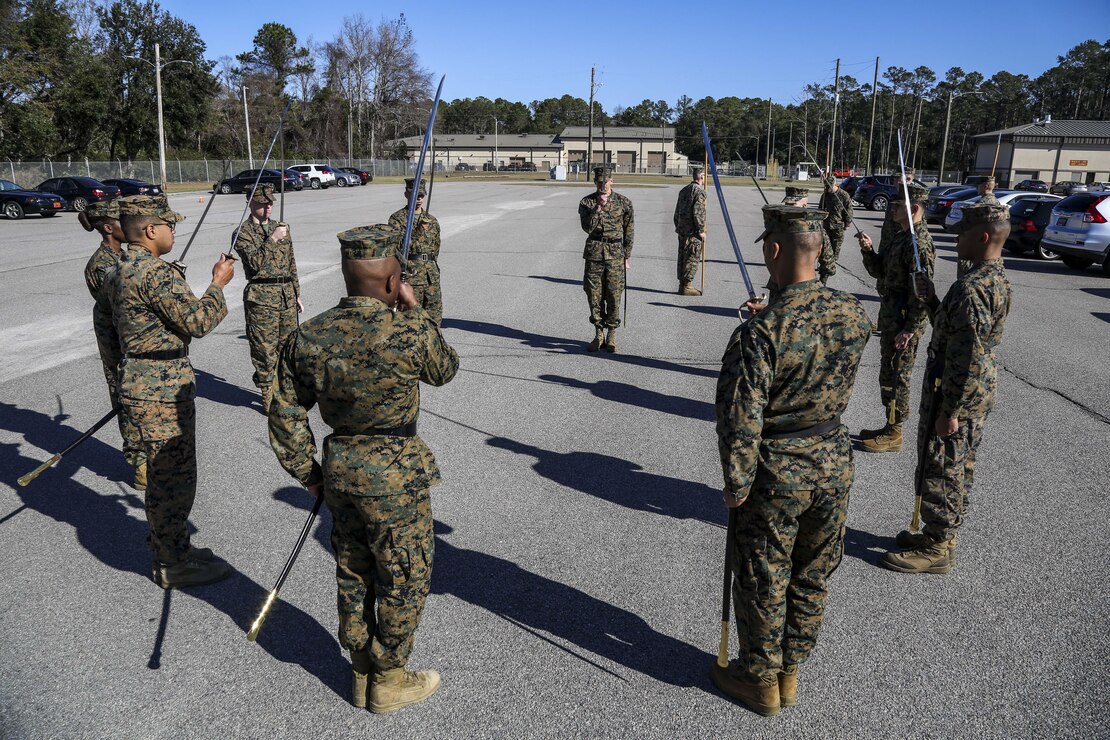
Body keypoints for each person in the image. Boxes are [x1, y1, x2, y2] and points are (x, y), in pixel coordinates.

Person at [267, 224, 459, 714]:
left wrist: (306, 471)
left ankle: (359, 671)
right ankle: (389, 678)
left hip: (341, 471)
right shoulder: (410, 329)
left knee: (353, 569)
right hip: (394, 473)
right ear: (394, 282)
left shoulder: (308, 335)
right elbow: (445, 369)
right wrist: (415, 309)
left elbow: (285, 409)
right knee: (404, 573)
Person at [712, 205, 872, 716]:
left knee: (764, 574)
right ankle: (792, 670)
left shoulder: (760, 335)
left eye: (766, 245)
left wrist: (736, 482)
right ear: (821, 250)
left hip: (779, 470)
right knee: (811, 572)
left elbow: (740, 418)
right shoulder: (852, 312)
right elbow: (818, 335)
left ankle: (759, 679)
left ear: (775, 249)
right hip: (834, 461)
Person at [112, 195, 236, 589]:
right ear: (151, 230)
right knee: (173, 480)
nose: (174, 230)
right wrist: (217, 283)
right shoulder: (154, 274)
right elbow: (199, 321)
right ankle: (171, 562)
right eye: (169, 224)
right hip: (161, 391)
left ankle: (175, 546)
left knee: (166, 477)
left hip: (140, 381)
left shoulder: (120, 269)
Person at [881, 203, 1012, 574]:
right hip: (970, 391)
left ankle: (938, 547)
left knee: (944, 467)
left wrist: (949, 411)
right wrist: (933, 299)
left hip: (956, 393)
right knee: (955, 465)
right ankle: (941, 535)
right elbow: (957, 330)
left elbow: (966, 355)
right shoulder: (993, 278)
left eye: (963, 233)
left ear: (983, 237)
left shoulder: (973, 288)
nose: (956, 238)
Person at [856, 181, 935, 453]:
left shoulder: (918, 244)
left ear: (913, 208)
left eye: (898, 205)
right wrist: (868, 251)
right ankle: (889, 423)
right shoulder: (901, 237)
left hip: (903, 321)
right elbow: (881, 272)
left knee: (899, 375)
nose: (892, 209)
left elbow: (922, 294)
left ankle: (895, 432)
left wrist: (911, 329)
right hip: (891, 317)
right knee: (888, 372)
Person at [80, 198, 145, 489]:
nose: (127, 225)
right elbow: (122, 305)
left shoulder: (127, 257)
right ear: (108, 227)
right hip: (119, 346)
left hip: (138, 343)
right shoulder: (100, 265)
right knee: (126, 402)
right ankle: (139, 463)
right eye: (121, 220)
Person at [232, 183, 303, 412]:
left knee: (288, 347)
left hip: (285, 296)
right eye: (262, 203)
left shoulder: (282, 228)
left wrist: (296, 293)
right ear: (250, 203)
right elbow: (255, 263)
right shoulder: (242, 233)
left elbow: (291, 263)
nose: (268, 207)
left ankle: (286, 390)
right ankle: (267, 392)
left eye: (270, 202)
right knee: (265, 349)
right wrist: (272, 239)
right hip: (261, 297)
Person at [578, 166, 633, 353]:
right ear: (595, 182)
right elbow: (588, 228)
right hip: (594, 253)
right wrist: (598, 207)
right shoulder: (586, 202)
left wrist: (627, 255)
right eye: (599, 182)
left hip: (616, 253)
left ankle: (612, 334)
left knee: (614, 294)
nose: (603, 185)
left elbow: (629, 231)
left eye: (606, 181)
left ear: (612, 181)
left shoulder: (624, 203)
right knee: (594, 295)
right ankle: (598, 333)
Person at [388, 178, 443, 325]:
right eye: (415, 195)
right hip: (412, 275)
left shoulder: (432, 220)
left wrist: (432, 268)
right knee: (411, 318)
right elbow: (398, 247)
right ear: (406, 194)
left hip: (431, 276)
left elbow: (436, 247)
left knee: (434, 318)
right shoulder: (397, 219)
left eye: (421, 196)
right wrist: (419, 231)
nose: (419, 199)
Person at [673, 167, 707, 295]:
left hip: (682, 230)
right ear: (701, 177)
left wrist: (679, 225)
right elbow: (698, 213)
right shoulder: (699, 192)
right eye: (704, 177)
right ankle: (687, 286)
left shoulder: (684, 191)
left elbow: (677, 213)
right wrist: (701, 230)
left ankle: (682, 284)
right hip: (692, 232)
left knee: (682, 257)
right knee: (692, 258)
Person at [817, 174, 854, 285]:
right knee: (826, 251)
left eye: (829, 187)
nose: (827, 189)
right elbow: (820, 208)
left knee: (835, 251)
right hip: (826, 226)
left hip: (838, 227)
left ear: (834, 184)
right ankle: (824, 275)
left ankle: (829, 269)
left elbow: (849, 210)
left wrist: (847, 223)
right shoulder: (825, 195)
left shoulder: (843, 195)